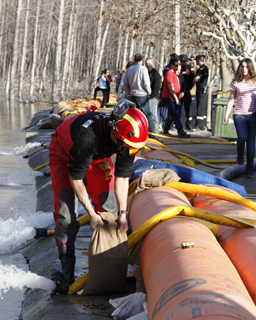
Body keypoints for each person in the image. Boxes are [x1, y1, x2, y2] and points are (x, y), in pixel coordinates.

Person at [48, 100, 149, 293]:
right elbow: (75, 179)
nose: (127, 149)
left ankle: (111, 271)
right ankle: (67, 272)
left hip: (97, 158)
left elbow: (122, 177)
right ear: (114, 133)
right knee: (66, 213)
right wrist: (91, 213)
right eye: (124, 145)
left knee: (110, 209)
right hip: (64, 153)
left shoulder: (128, 140)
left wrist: (122, 212)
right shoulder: (88, 137)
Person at [223, 58, 256, 178]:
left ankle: (249, 169)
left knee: (251, 143)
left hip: (253, 115)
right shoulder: (236, 82)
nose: (244, 69)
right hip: (239, 114)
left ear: (250, 68)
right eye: (242, 67)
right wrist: (226, 116)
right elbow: (231, 99)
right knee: (242, 136)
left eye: (246, 67)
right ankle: (240, 152)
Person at [121, 53, 154, 133]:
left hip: (133, 95)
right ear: (142, 60)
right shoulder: (143, 69)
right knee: (148, 115)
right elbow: (146, 83)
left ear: (134, 60)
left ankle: (136, 132)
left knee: (134, 115)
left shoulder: (129, 69)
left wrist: (129, 92)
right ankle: (152, 135)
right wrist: (149, 92)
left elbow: (124, 84)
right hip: (142, 94)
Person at [159, 58, 190, 138]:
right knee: (166, 115)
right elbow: (171, 87)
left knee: (174, 115)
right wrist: (176, 98)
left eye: (178, 65)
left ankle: (169, 130)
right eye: (176, 65)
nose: (177, 67)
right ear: (172, 65)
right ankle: (160, 130)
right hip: (170, 98)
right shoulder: (169, 74)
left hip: (174, 98)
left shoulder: (175, 74)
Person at [145, 58, 162, 134]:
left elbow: (157, 88)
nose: (148, 65)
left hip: (153, 98)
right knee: (146, 116)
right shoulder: (144, 73)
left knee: (153, 116)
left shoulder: (156, 74)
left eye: (150, 64)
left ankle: (156, 134)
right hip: (144, 97)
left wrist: (151, 96)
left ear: (153, 64)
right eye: (147, 64)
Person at [180, 54, 196, 130]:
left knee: (187, 108)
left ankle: (188, 124)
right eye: (182, 61)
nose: (183, 63)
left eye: (185, 61)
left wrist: (189, 87)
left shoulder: (190, 68)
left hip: (186, 90)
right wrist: (182, 73)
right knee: (177, 107)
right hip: (178, 91)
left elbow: (194, 78)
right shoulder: (178, 68)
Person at [193, 55, 209, 131]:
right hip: (200, 89)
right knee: (201, 107)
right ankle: (202, 125)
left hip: (201, 90)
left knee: (200, 107)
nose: (196, 61)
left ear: (199, 60)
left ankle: (199, 125)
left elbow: (197, 78)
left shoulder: (203, 68)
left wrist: (193, 81)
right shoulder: (201, 68)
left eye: (196, 60)